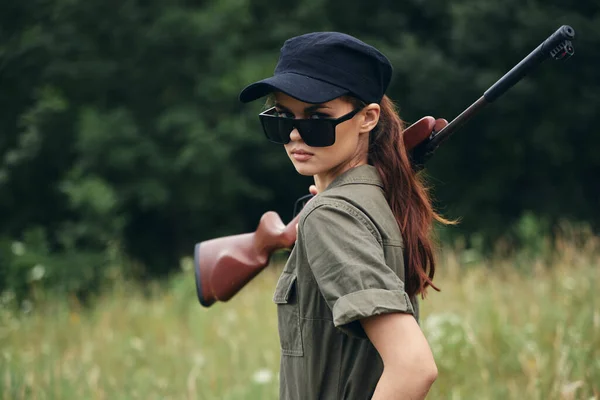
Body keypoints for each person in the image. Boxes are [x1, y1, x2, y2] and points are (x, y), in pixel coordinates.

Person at [239, 32, 451, 400]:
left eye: (317, 119)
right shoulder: (376, 200)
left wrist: (326, 210)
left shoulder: (330, 215)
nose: (293, 134)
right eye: (281, 117)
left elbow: (413, 367)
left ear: (368, 118)